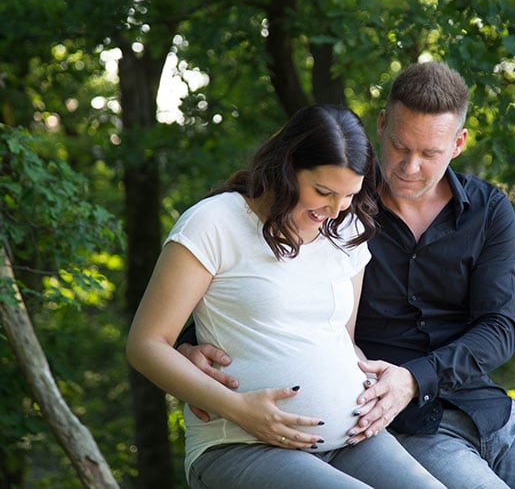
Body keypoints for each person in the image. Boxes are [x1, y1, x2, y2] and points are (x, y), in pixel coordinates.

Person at [179, 63, 515, 488]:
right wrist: (187, 344)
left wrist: (416, 377)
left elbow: (500, 327)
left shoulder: (488, 210)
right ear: (381, 124)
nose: (410, 167)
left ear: (458, 144)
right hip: (405, 425)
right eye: (400, 147)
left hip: (486, 410)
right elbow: (259, 289)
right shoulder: (336, 207)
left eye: (429, 153)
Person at [127, 104, 445, 488]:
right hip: (242, 442)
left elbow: (340, 341)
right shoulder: (214, 223)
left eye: (348, 195)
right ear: (288, 166)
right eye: (323, 192)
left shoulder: (346, 228)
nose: (334, 209)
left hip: (352, 440)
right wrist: (238, 409)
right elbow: (146, 344)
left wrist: (375, 391)